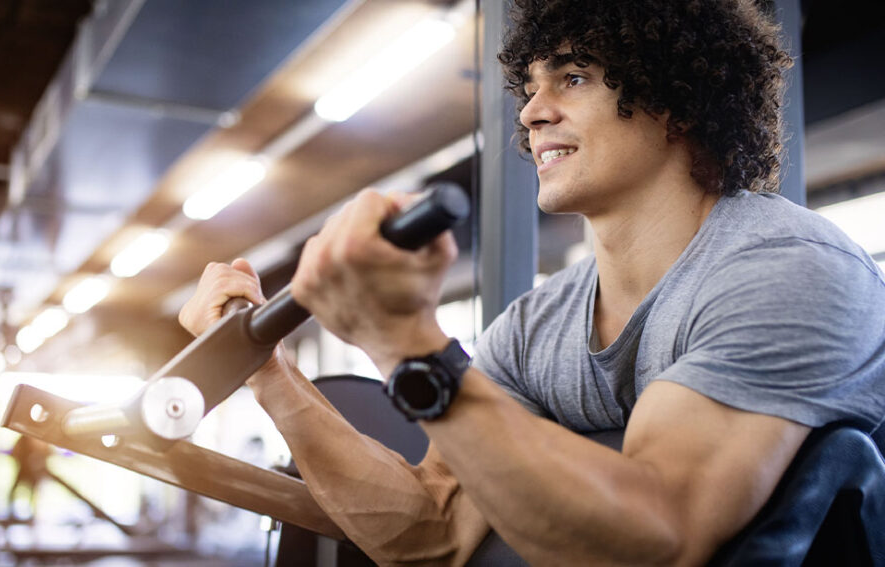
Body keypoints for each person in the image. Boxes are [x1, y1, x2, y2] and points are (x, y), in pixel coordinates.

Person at [179, 0, 885, 564]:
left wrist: (406, 344)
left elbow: (662, 538)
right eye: (532, 85)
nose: (530, 111)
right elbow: (431, 530)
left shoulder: (789, 270)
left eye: (572, 78)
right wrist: (270, 374)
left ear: (677, 98)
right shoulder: (534, 326)